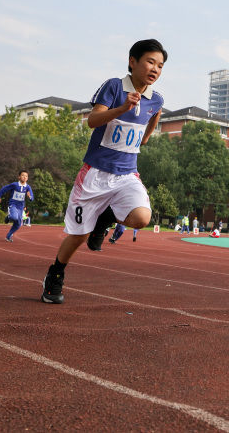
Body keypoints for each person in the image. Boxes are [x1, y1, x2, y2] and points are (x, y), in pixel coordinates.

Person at [40, 39, 167, 305]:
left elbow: (144, 136)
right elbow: (92, 121)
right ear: (133, 61)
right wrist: (122, 109)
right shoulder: (114, 86)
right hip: (95, 175)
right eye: (150, 61)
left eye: (160, 65)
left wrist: (152, 121)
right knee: (78, 236)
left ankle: (105, 218)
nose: (155, 68)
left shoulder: (156, 100)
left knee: (142, 218)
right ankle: (56, 273)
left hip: (126, 175)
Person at [0, 170, 34, 243]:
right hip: (13, 204)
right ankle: (8, 217)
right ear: (19, 177)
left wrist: (30, 197)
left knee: (18, 224)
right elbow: (4, 189)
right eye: (23, 175)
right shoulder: (14, 185)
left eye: (26, 176)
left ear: (27, 178)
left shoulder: (28, 187)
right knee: (14, 217)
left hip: (20, 207)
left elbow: (32, 197)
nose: (24, 177)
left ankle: (8, 236)